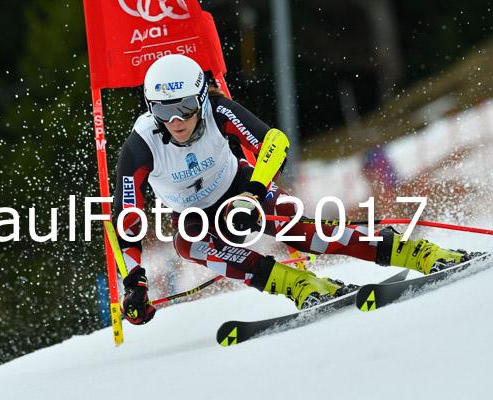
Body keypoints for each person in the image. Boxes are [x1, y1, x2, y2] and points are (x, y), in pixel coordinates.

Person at [112, 54, 473, 325]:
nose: (176, 120)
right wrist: (134, 281)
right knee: (187, 244)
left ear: (202, 99)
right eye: (164, 110)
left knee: (299, 232)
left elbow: (273, 141)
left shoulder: (218, 110)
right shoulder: (140, 146)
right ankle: (298, 285)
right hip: (194, 216)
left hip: (240, 186)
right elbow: (127, 217)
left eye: (185, 107)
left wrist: (252, 194)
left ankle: (415, 252)